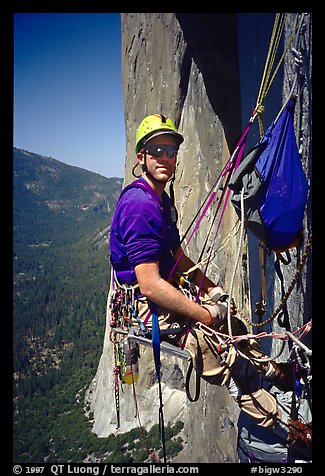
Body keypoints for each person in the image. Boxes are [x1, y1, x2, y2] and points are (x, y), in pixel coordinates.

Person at [110, 114, 293, 427]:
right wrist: (205, 314)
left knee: (232, 321)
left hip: (167, 287)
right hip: (148, 303)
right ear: (142, 157)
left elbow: (176, 255)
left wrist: (211, 289)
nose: (166, 157)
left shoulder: (160, 198)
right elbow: (151, 286)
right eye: (157, 150)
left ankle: (276, 373)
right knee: (218, 351)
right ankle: (290, 428)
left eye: (171, 150)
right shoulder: (140, 205)